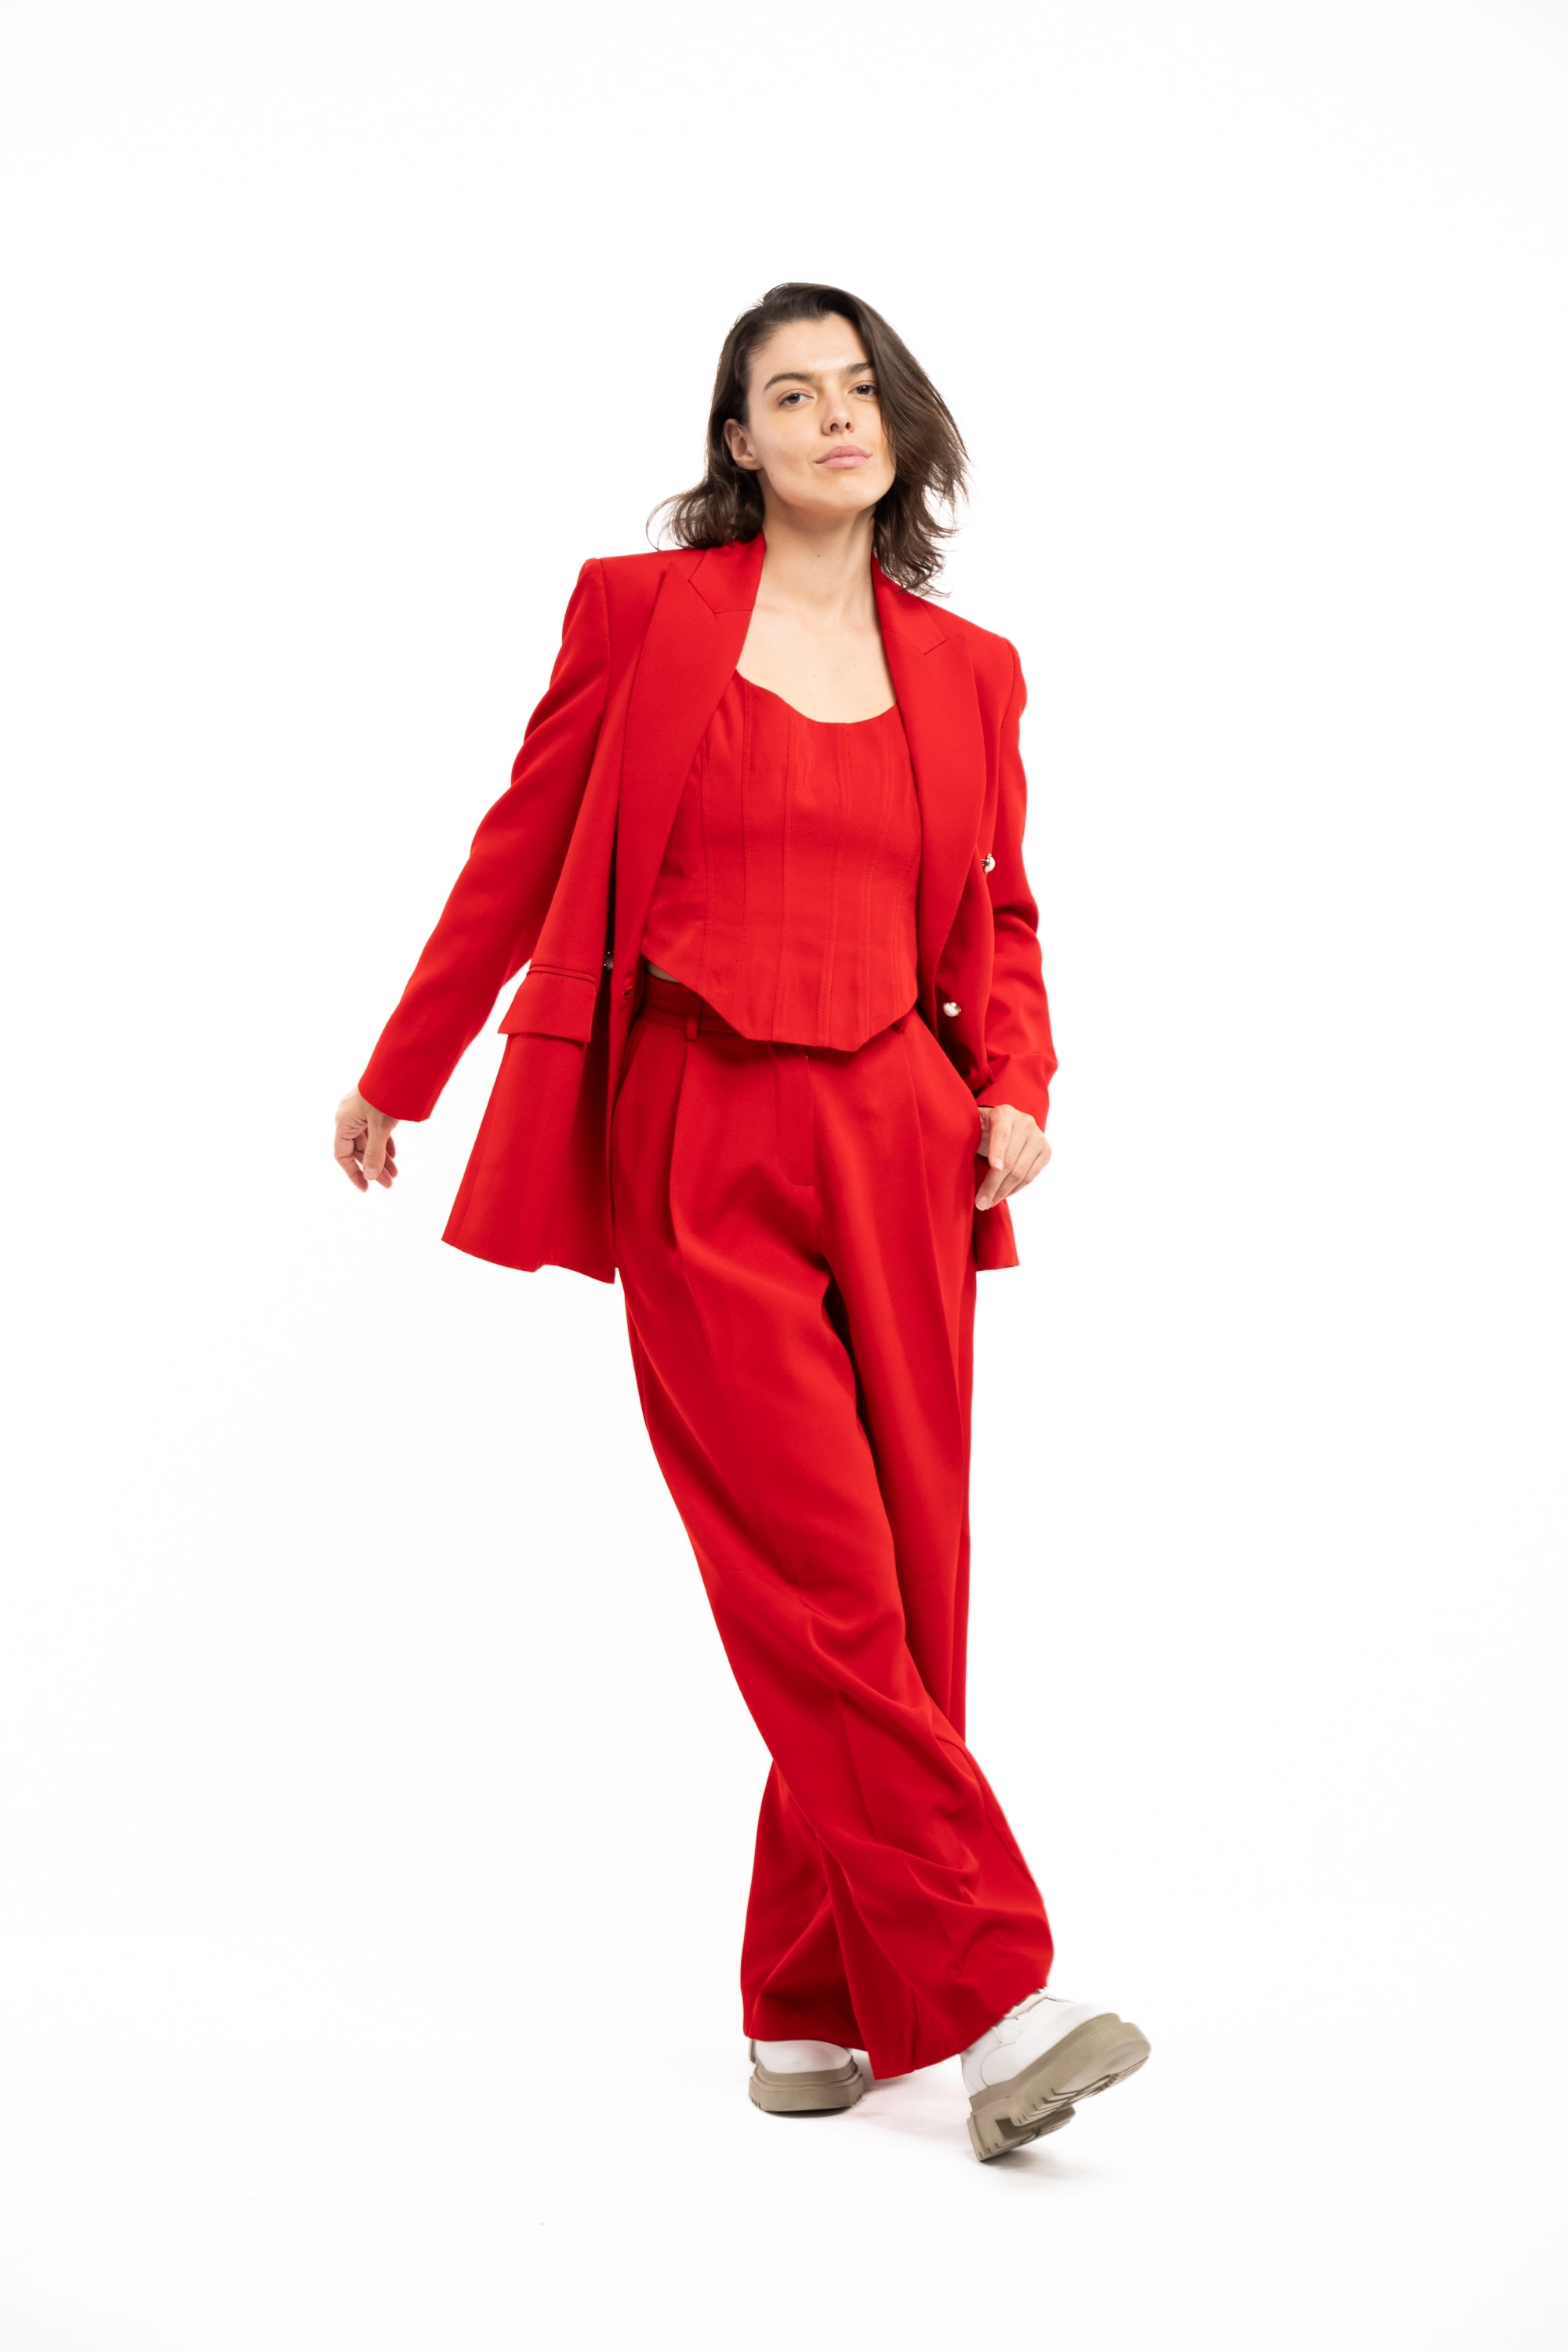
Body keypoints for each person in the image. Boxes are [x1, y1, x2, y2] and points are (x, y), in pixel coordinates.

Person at [333, 282, 1149, 2161]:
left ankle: (805, 1995)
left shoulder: (972, 667)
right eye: (792, 395)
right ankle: (998, 2001)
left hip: (904, 1135)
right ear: (740, 443)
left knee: (904, 1579)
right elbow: (523, 844)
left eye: (859, 389)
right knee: (811, 1568)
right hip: (698, 1118)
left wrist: (1016, 1082)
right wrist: (406, 1065)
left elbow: (1000, 911)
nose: (833, 417)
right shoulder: (642, 615)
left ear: (898, 426)